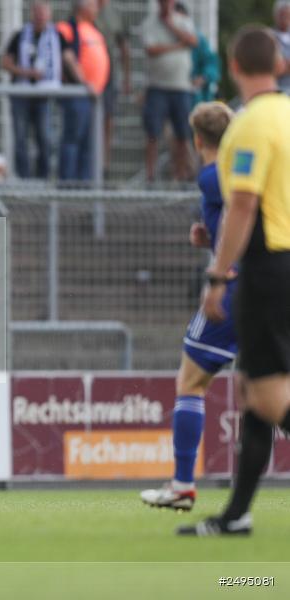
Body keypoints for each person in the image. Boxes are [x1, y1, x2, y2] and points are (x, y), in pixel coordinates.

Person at [178, 27, 290, 537]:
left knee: (265, 396)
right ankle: (235, 516)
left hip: (268, 269)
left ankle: (234, 516)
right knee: (253, 395)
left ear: (234, 67)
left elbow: (243, 205)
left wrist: (218, 275)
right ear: (280, 65)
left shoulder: (247, 125)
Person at [139, 102, 235, 512]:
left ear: (197, 140)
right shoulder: (233, 173)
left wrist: (220, 270)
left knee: (191, 383)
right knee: (268, 393)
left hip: (234, 290)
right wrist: (211, 237)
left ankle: (181, 484)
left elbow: (243, 214)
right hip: (263, 287)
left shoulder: (215, 176)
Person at [2, 1, 64, 179]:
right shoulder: (20, 35)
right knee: (20, 138)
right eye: (37, 12)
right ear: (31, 14)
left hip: (44, 96)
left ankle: (43, 178)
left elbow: (67, 59)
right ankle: (24, 179)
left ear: (49, 14)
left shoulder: (57, 36)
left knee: (44, 138)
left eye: (43, 12)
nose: (40, 16)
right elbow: (6, 63)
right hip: (22, 94)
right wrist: (27, 73)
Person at [141, 0, 198, 182]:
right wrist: (177, 45)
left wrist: (171, 26)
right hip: (157, 87)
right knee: (153, 134)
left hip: (181, 87)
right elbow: (151, 49)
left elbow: (192, 41)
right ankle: (151, 179)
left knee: (182, 134)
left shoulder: (183, 21)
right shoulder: (149, 23)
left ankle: (180, 177)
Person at [57, 0, 109, 182]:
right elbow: (67, 56)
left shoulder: (94, 29)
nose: (97, 9)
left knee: (90, 142)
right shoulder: (67, 28)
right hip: (78, 94)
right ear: (82, 8)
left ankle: (85, 184)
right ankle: (68, 184)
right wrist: (84, 82)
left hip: (94, 97)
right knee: (73, 139)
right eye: (93, 5)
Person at [96, 0, 131, 172]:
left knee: (107, 118)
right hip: (86, 75)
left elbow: (124, 47)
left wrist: (126, 78)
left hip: (108, 74)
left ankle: (104, 164)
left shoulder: (114, 13)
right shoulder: (85, 8)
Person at [175, 3, 220, 105]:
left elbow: (212, 65)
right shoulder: (166, 40)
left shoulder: (199, 40)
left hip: (195, 97)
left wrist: (203, 78)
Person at [271, 0, 290, 92]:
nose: (285, 18)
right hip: (278, 89)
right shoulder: (269, 37)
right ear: (276, 16)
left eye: (287, 15)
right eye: (282, 15)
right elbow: (272, 67)